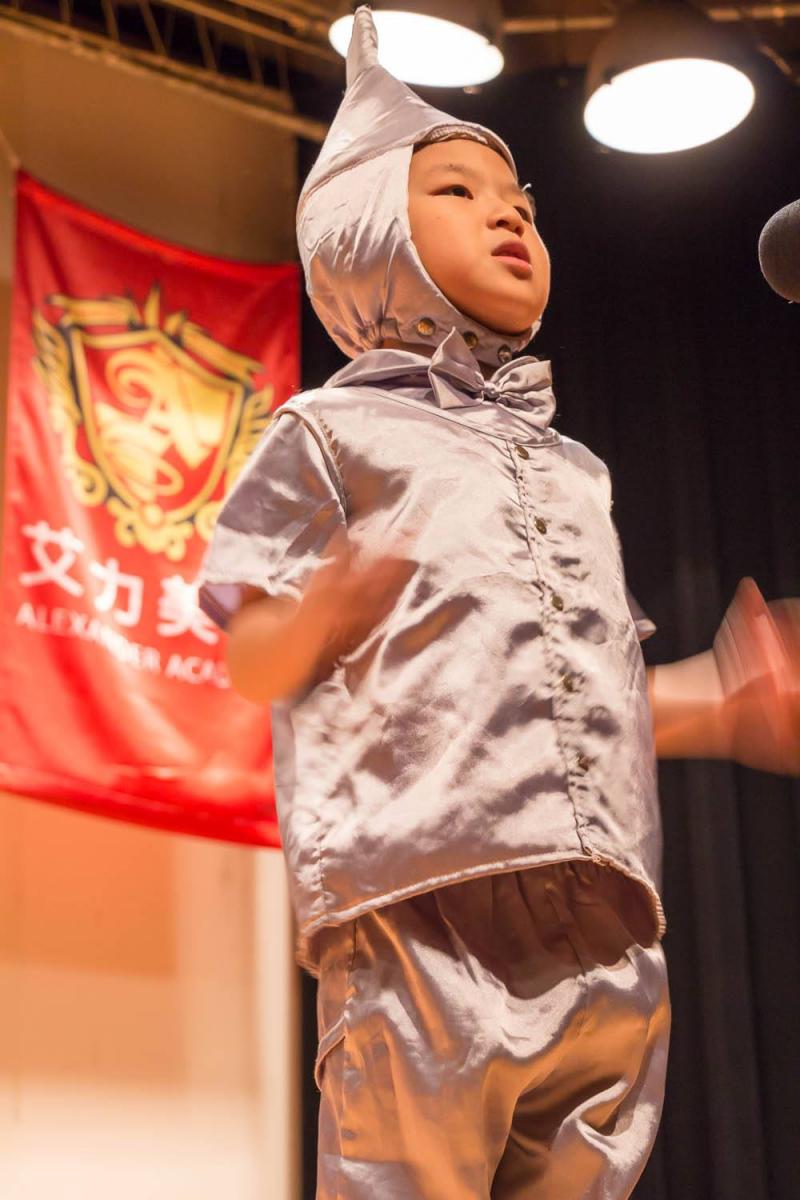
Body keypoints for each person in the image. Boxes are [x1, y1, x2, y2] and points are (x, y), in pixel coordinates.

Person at [196, 7, 800, 1197]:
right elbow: (251, 652)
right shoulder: (331, 431)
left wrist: (717, 700)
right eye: (457, 192)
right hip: (423, 908)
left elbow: (580, 699)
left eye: (519, 199)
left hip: (603, 917)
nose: (509, 213)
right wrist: (322, 611)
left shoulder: (572, 470)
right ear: (366, 235)